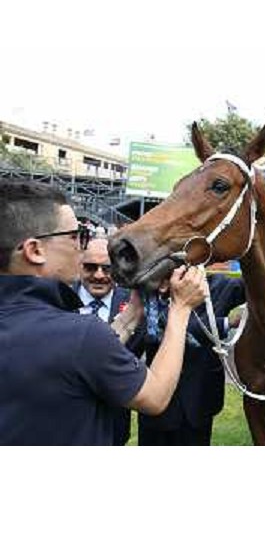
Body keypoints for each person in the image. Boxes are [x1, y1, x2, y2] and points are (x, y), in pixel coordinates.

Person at [0, 180, 208, 446]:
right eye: (76, 236)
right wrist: (181, 309)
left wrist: (133, 312)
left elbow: (75, 357)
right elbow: (155, 397)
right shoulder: (79, 333)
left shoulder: (71, 337)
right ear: (35, 250)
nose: (80, 246)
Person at [133, 270, 245, 446]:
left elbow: (257, 282)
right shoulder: (149, 290)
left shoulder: (218, 286)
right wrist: (226, 323)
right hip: (156, 408)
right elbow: (177, 328)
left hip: (199, 401)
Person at [75, 236, 137, 445]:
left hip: (115, 421)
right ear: (79, 265)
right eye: (90, 267)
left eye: (106, 268)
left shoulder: (135, 304)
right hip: (69, 418)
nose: (99, 275)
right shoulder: (57, 299)